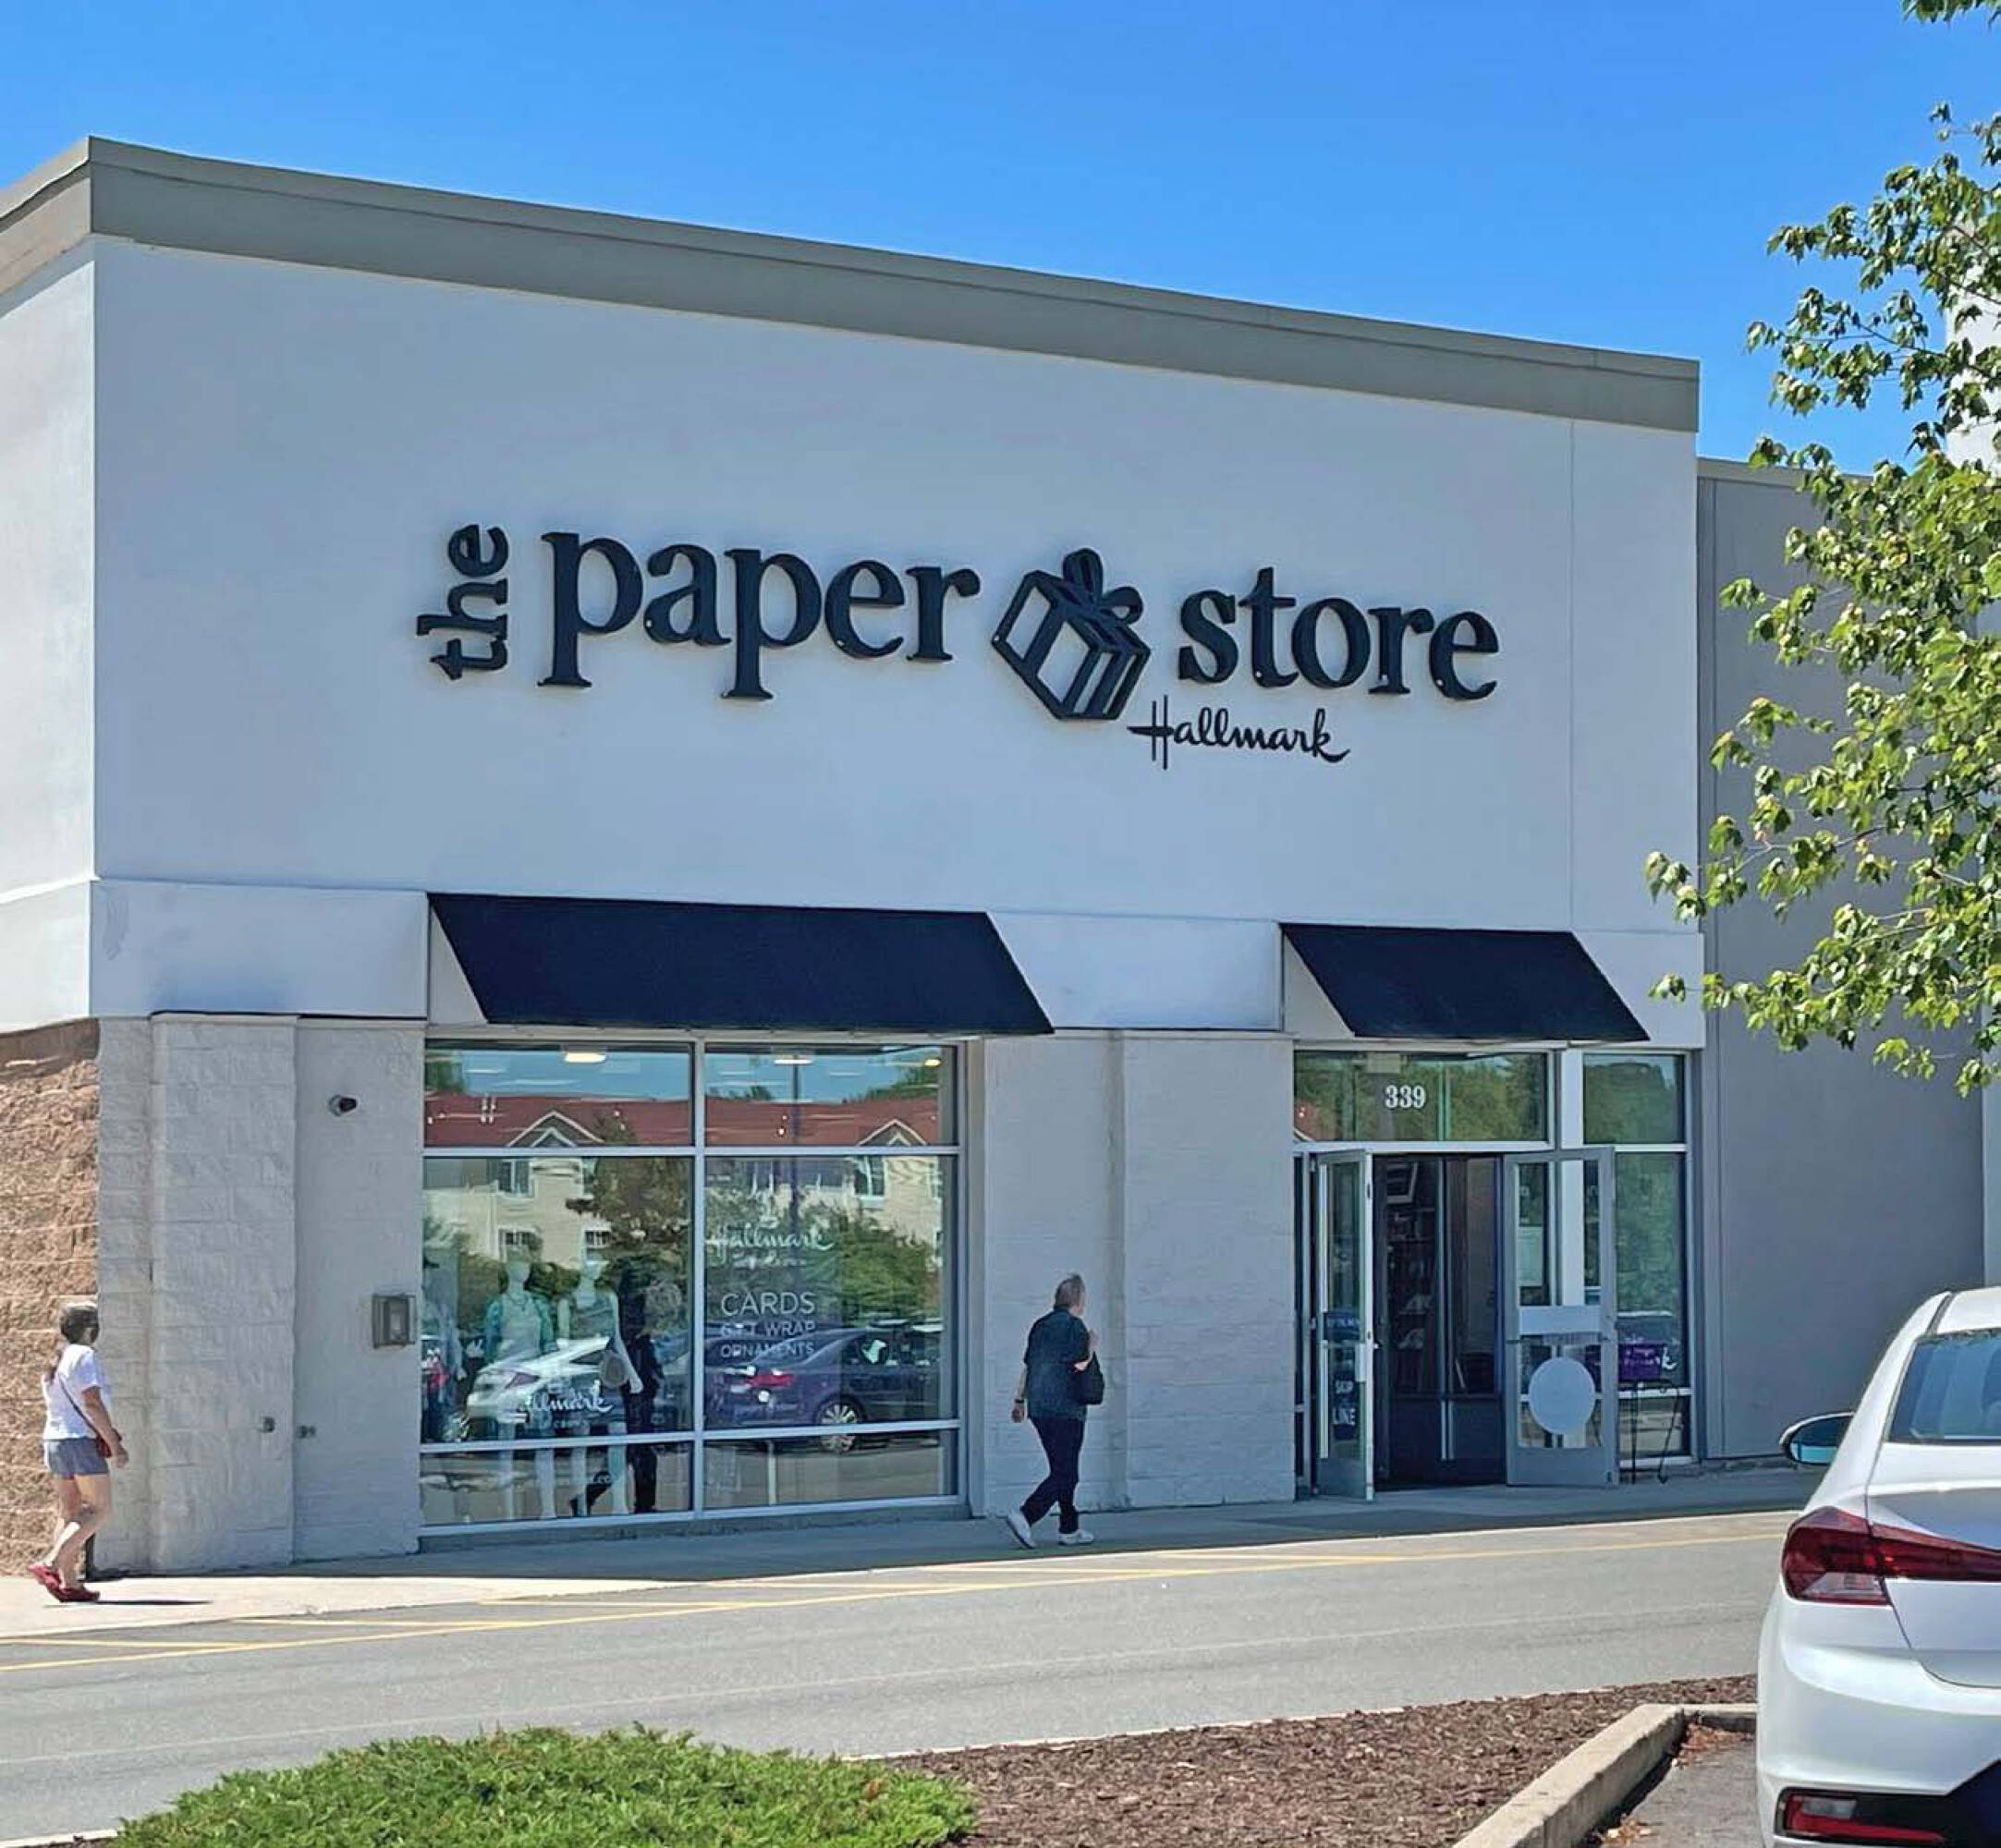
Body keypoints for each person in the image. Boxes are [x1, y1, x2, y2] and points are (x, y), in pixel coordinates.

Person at [31, 1300, 127, 1604]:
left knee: (70, 1512)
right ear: (88, 1329)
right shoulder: (83, 1356)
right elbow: (92, 1403)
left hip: (55, 1441)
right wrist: (114, 1444)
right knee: (100, 1509)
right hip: (80, 1441)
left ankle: (69, 1582)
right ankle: (50, 1564)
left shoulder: (56, 1359)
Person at [1005, 1273, 1096, 1549]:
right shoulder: (1075, 1328)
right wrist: (1091, 1346)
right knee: (1067, 1473)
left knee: (1062, 1468)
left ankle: (1069, 1528)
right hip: (1066, 1408)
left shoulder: (1040, 1326)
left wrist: (1019, 1400)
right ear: (1078, 1300)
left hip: (1039, 1408)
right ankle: (1026, 1514)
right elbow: (1081, 1366)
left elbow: (1029, 1366)